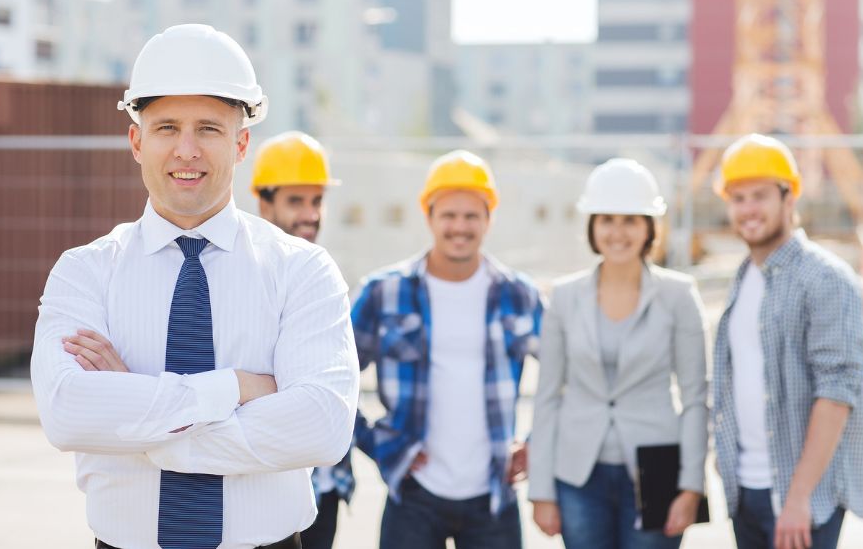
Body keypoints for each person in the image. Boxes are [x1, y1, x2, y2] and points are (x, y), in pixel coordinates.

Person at [30, 24, 359, 549]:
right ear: (136, 141)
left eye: (208, 128)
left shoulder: (304, 271)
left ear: (241, 142)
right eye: (166, 128)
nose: (187, 150)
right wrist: (233, 388)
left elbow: (322, 425)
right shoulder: (84, 271)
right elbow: (69, 412)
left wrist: (143, 422)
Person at [351, 150, 542, 549]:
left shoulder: (518, 294)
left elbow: (569, 377)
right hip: (414, 495)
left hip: (493, 495)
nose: (459, 226)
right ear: (429, 217)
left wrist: (537, 442)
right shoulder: (386, 293)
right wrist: (378, 442)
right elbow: (333, 376)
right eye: (449, 215)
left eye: (471, 215)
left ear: (488, 219)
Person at [529, 158, 708, 549]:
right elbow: (547, 397)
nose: (618, 232)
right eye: (606, 219)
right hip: (579, 475)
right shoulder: (564, 296)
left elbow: (696, 398)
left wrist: (692, 486)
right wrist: (540, 489)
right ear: (592, 227)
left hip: (659, 470)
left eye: (631, 220)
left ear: (649, 228)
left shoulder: (679, 296)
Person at [711, 134, 863, 549]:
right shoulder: (744, 278)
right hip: (746, 492)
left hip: (802, 499)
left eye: (759, 196)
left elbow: (837, 393)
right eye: (738, 198)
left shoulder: (826, 279)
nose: (748, 210)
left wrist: (797, 498)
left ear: (789, 198)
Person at [251, 130, 351, 549]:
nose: (309, 214)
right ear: (264, 202)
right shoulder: (242, 275)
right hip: (259, 485)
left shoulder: (324, 278)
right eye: (296, 201)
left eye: (317, 201)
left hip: (322, 486)